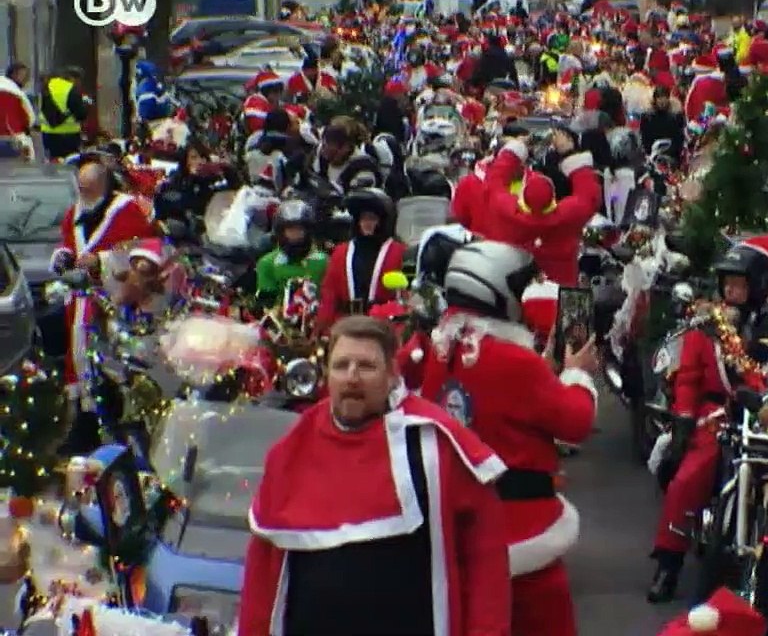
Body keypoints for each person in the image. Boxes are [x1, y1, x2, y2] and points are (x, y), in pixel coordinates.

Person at [237, 316, 511, 636]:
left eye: (366, 366)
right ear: (328, 376)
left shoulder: (435, 442)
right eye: (341, 366)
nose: (352, 377)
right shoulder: (291, 451)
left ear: (392, 374)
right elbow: (261, 575)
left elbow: (485, 560)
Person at [416, 242, 597, 636]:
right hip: (521, 527)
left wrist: (544, 369)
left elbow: (497, 404)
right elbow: (575, 421)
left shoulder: (443, 346)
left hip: (460, 517)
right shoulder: (515, 362)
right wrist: (577, 374)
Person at [649, 233, 768, 603]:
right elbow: (687, 376)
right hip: (715, 416)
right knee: (686, 481)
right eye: (727, 283)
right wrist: (684, 418)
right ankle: (667, 565)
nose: (731, 291)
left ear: (760, 284)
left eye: (739, 283)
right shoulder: (708, 324)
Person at [50, 162, 156, 448]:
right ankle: (87, 423)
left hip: (115, 301)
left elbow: (140, 253)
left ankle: (124, 425)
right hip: (82, 302)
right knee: (82, 360)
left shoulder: (127, 211)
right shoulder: (76, 213)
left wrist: (102, 261)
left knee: (114, 364)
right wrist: (62, 256)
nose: (83, 193)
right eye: (81, 188)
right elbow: (68, 244)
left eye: (89, 188)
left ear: (103, 186)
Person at [486, 138, 600, 286]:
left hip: (519, 292)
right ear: (553, 197)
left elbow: (493, 184)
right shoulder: (568, 215)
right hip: (562, 291)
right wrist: (570, 153)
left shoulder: (508, 212)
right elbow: (588, 196)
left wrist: (513, 152)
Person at [316, 189, 407, 333]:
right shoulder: (341, 252)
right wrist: (321, 330)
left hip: (384, 329)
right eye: (363, 218)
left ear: (383, 221)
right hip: (346, 327)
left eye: (372, 218)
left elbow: (406, 297)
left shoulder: (399, 252)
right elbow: (329, 295)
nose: (366, 223)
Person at [256, 200, 329, 307]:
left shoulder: (324, 262)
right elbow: (265, 305)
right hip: (278, 320)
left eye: (299, 230)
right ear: (281, 232)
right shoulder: (267, 263)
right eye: (290, 230)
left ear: (308, 231)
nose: (295, 234)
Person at [40, 66, 91, 161]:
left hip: (48, 134)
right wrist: (85, 105)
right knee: (69, 163)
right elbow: (81, 114)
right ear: (73, 78)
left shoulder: (48, 85)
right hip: (68, 135)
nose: (79, 84)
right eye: (79, 80)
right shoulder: (70, 89)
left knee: (54, 161)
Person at [639, 86, 685, 161]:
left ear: (668, 99)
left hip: (672, 157)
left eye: (664, 97)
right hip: (653, 156)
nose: (662, 101)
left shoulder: (676, 117)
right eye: (659, 98)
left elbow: (679, 139)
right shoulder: (647, 117)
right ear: (655, 100)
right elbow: (644, 139)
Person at [0, 62, 35, 160]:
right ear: (14, 74)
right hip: (13, 138)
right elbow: (29, 118)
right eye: (23, 75)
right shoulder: (14, 93)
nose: (26, 80)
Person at [241, 69, 287, 136]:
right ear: (266, 91)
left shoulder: (272, 102)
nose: (279, 94)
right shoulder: (254, 101)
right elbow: (257, 125)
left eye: (280, 90)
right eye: (275, 91)